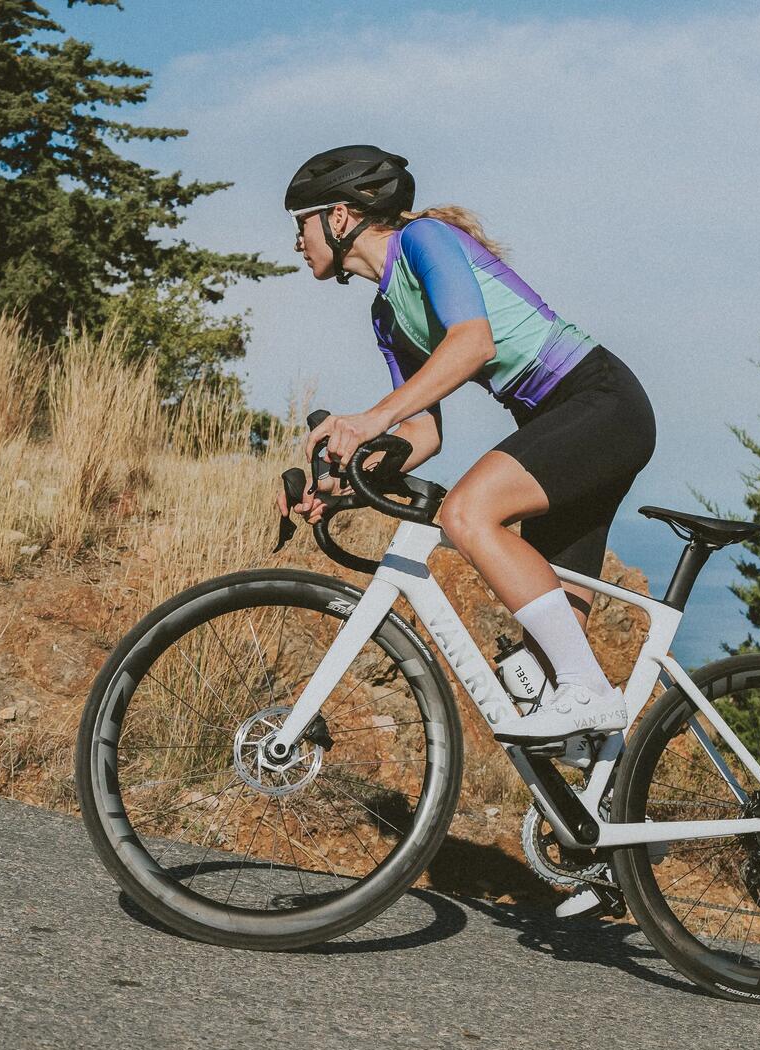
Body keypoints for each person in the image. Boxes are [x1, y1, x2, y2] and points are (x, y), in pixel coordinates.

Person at [280, 144, 655, 742]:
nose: (297, 241)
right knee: (547, 676)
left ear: (342, 217)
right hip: (559, 424)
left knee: (467, 514)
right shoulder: (386, 313)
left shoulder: (424, 241)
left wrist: (368, 419)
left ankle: (590, 693)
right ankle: (608, 807)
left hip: (599, 402)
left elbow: (472, 344)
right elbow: (421, 433)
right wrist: (344, 480)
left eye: (301, 223)